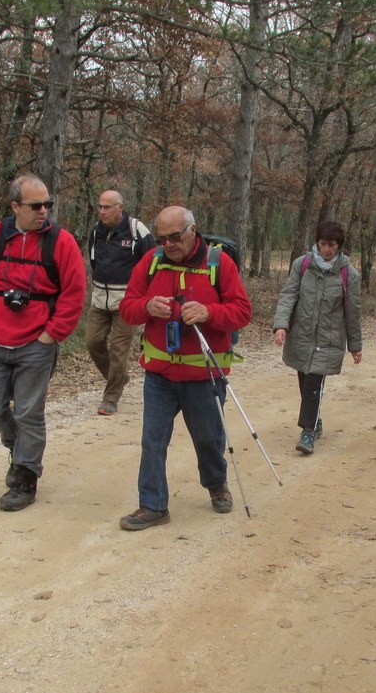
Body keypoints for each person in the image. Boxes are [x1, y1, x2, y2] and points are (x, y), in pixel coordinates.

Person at [117, 206, 252, 530]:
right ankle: (153, 505)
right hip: (160, 376)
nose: (168, 245)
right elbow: (127, 309)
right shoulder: (150, 262)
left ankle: (216, 484)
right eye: (162, 238)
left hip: (203, 376)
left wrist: (209, 312)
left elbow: (242, 312)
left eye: (175, 237)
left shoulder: (220, 263)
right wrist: (146, 307)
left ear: (193, 230)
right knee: (152, 440)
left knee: (208, 439)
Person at [0, 173, 87, 511]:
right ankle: (18, 445)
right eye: (36, 206)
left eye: (48, 205)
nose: (44, 211)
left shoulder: (61, 242)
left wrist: (52, 333)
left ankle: (25, 477)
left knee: (29, 412)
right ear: (15, 206)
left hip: (37, 343)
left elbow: (74, 292)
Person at [272, 221, 363, 456]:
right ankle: (316, 419)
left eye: (331, 245)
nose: (326, 249)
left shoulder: (348, 274)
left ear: (339, 246)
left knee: (314, 382)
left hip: (328, 339)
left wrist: (355, 345)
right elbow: (288, 295)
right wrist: (281, 325)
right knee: (305, 380)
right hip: (302, 335)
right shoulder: (302, 265)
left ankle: (308, 431)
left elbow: (353, 311)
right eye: (323, 244)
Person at [86, 189, 155, 415]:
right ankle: (119, 378)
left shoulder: (137, 231)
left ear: (120, 208)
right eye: (100, 207)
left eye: (107, 207)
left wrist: (144, 297)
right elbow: (94, 261)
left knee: (118, 349)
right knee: (93, 343)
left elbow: (151, 264)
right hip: (99, 299)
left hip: (126, 301)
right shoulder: (96, 231)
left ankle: (111, 397)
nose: (102, 211)